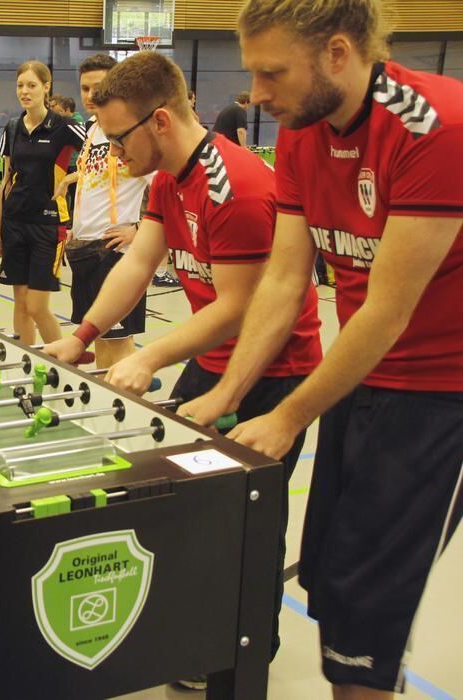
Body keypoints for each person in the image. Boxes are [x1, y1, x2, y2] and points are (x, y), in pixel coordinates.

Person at [181, 0, 463, 696]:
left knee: (366, 616)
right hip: (361, 378)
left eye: (272, 73)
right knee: (332, 584)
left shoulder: (438, 128)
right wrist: (227, 393)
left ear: (338, 53)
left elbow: (389, 311)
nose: (256, 94)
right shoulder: (302, 134)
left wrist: (287, 416)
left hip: (440, 397)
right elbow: (284, 279)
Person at [43, 52, 323, 690]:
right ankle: (197, 630)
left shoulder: (236, 187)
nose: (113, 153)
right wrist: (83, 336)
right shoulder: (167, 180)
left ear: (161, 121)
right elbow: (139, 263)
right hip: (211, 364)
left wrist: (147, 356)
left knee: (246, 522)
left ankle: (246, 652)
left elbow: (237, 307)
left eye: (120, 137)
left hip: (272, 375)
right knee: (186, 509)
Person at [53, 53, 153, 369]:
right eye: (85, 88)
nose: (90, 95)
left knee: (118, 346)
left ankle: (127, 401)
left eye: (98, 87)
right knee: (99, 342)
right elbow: (96, 177)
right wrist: (77, 224)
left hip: (114, 253)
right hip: (85, 249)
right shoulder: (94, 129)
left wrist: (139, 229)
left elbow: (167, 185)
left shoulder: (133, 132)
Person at [0, 60, 86, 345]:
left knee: (37, 306)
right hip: (14, 223)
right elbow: (6, 180)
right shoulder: (12, 127)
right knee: (21, 304)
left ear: (46, 87)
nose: (25, 91)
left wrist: (70, 179)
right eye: (20, 85)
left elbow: (102, 158)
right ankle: (28, 361)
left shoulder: (65, 127)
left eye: (32, 85)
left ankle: (64, 361)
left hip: (48, 225)